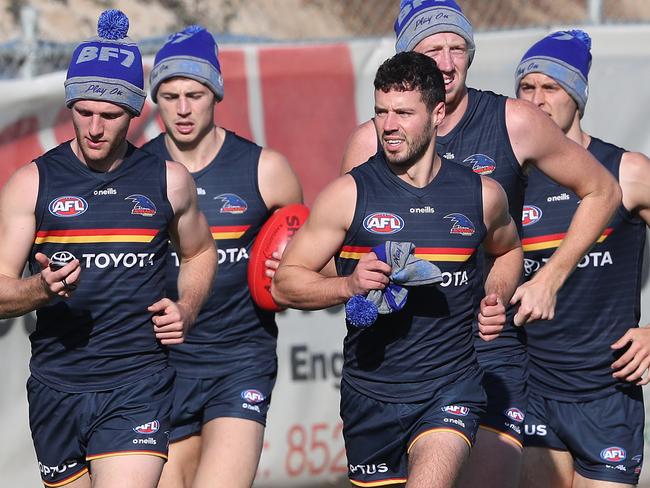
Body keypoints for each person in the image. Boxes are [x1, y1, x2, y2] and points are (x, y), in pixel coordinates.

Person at [340, 2, 621, 486]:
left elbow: (603, 190)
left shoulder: (514, 121)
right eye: (433, 50)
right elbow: (342, 257)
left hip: (487, 349)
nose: (447, 62)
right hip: (394, 361)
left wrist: (548, 277)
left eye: (457, 48)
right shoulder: (371, 140)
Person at [272, 51, 522, 488]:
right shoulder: (348, 195)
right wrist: (346, 285)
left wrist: (496, 294)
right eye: (381, 112)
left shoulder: (480, 195)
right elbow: (285, 284)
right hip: (371, 396)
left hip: (450, 388)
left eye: (404, 113)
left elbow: (507, 249)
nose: (389, 125)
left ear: (437, 114)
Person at [0, 10, 217, 488]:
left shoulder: (168, 181)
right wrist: (39, 289)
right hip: (58, 388)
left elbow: (201, 253)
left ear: (135, 112)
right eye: (84, 111)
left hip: (138, 384)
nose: (95, 127)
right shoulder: (32, 184)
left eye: (111, 114)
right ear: (70, 106)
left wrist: (188, 306)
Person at [141, 25, 303, 488]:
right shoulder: (138, 173)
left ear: (216, 94)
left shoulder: (266, 170)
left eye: (195, 93)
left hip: (240, 360)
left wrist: (287, 276)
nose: (183, 108)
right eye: (170, 96)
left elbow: (311, 261)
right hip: (161, 365)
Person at [514, 30, 650, 488]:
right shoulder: (509, 181)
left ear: (577, 97)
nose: (536, 100)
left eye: (550, 88)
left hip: (607, 393)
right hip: (533, 389)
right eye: (526, 88)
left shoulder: (626, 171)